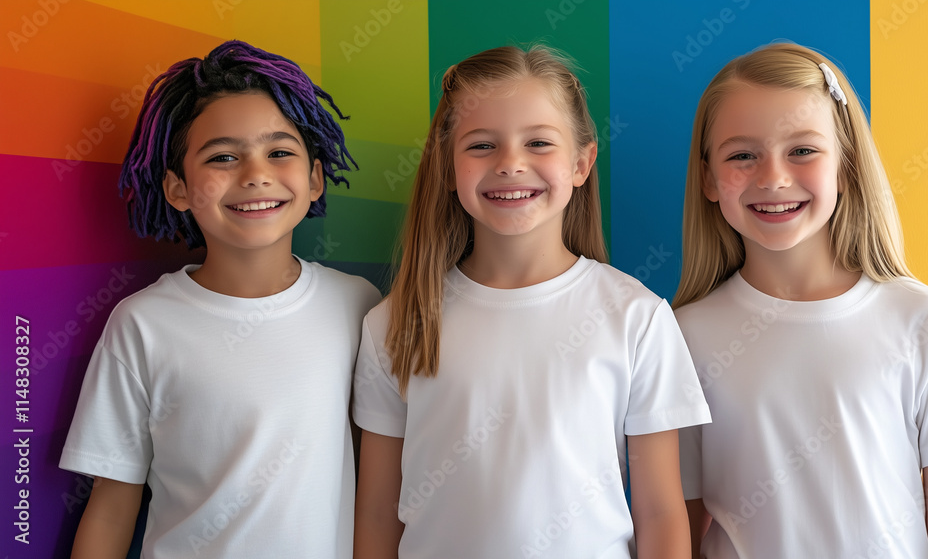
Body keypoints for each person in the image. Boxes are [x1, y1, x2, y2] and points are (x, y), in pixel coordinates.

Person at [351, 44, 711, 559]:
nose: (510, 164)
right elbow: (376, 514)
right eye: (482, 145)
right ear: (448, 168)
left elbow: (660, 513)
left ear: (582, 163)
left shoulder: (638, 318)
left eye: (538, 142)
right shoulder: (394, 323)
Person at [673, 42, 928, 559]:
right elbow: (680, 527)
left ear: (845, 165)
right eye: (742, 155)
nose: (773, 177)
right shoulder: (680, 337)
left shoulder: (925, 320)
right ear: (709, 178)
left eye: (802, 151)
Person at [59, 40, 380, 558]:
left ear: (315, 178)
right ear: (178, 189)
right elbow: (112, 506)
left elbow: (378, 479)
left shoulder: (360, 307)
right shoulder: (142, 324)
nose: (256, 174)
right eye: (223, 157)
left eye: (279, 152)